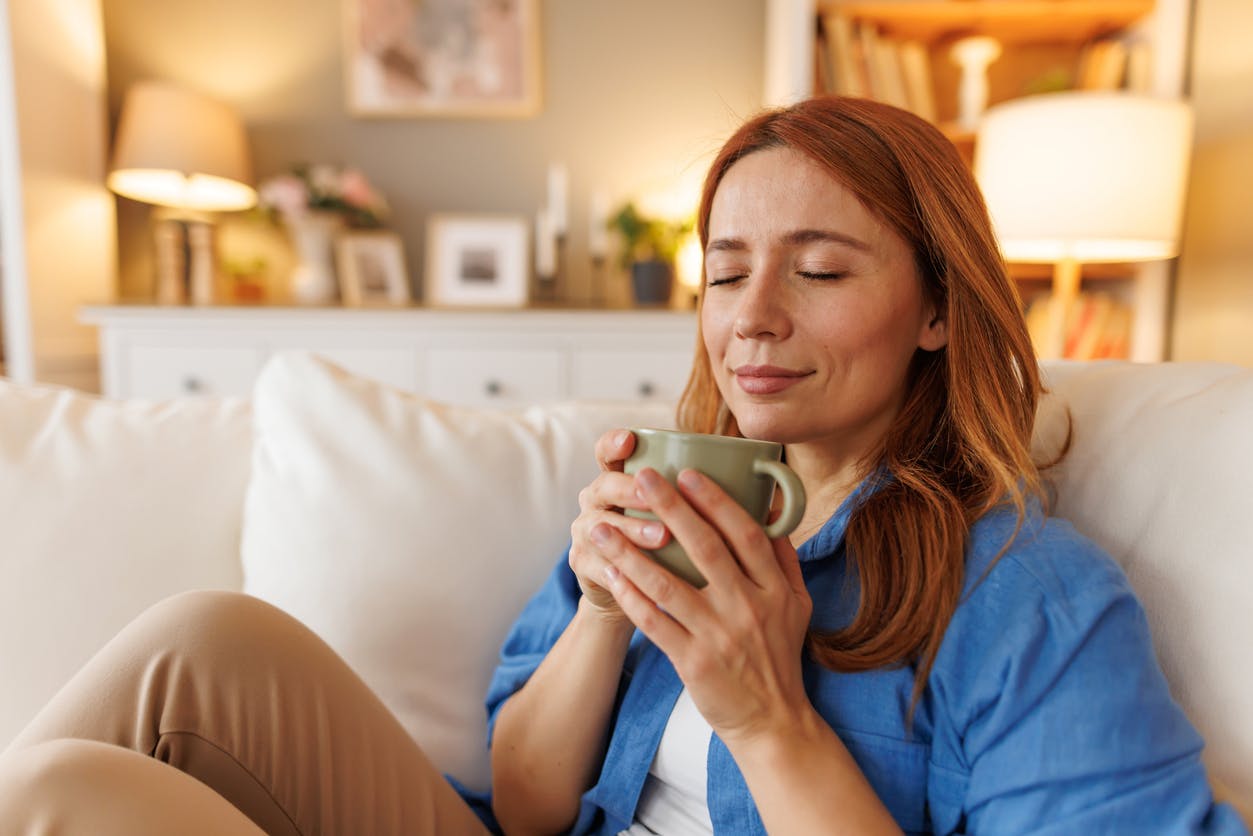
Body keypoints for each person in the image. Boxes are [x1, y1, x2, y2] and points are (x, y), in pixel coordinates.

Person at [0, 95, 1244, 835]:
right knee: (204, 641)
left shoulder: (1027, 597)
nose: (750, 314)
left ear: (934, 306)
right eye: (722, 271)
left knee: (66, 796)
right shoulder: (678, 498)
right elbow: (530, 807)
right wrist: (600, 615)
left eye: (816, 269)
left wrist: (768, 716)